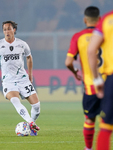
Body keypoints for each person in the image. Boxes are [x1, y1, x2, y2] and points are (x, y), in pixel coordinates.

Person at [0, 21, 40, 136]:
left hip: (23, 79)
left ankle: (32, 125)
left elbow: (29, 57)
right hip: (8, 81)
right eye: (4, 29)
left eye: (9, 29)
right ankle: (30, 122)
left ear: (14, 30)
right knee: (15, 100)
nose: (7, 31)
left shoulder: (22, 44)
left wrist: (30, 74)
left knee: (36, 106)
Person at [65, 6, 104, 150]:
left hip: (91, 86)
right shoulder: (107, 34)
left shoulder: (78, 36)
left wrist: (75, 71)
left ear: (84, 20)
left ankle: (88, 148)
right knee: (108, 121)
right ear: (100, 19)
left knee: (90, 119)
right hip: (109, 84)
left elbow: (68, 62)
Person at [88, 10, 113, 150]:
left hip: (112, 78)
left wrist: (97, 80)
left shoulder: (107, 19)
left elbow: (91, 51)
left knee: (106, 126)